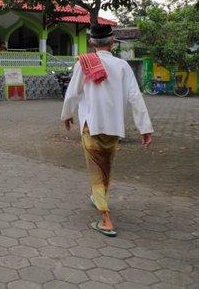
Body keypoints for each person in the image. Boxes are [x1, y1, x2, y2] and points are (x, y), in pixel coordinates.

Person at [60, 24, 153, 238]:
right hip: (114, 127)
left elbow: (72, 93)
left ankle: (106, 220)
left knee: (95, 170)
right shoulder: (123, 66)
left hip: (91, 125)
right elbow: (135, 98)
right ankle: (97, 197)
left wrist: (67, 115)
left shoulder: (83, 64)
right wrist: (144, 128)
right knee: (106, 167)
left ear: (91, 42)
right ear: (112, 42)